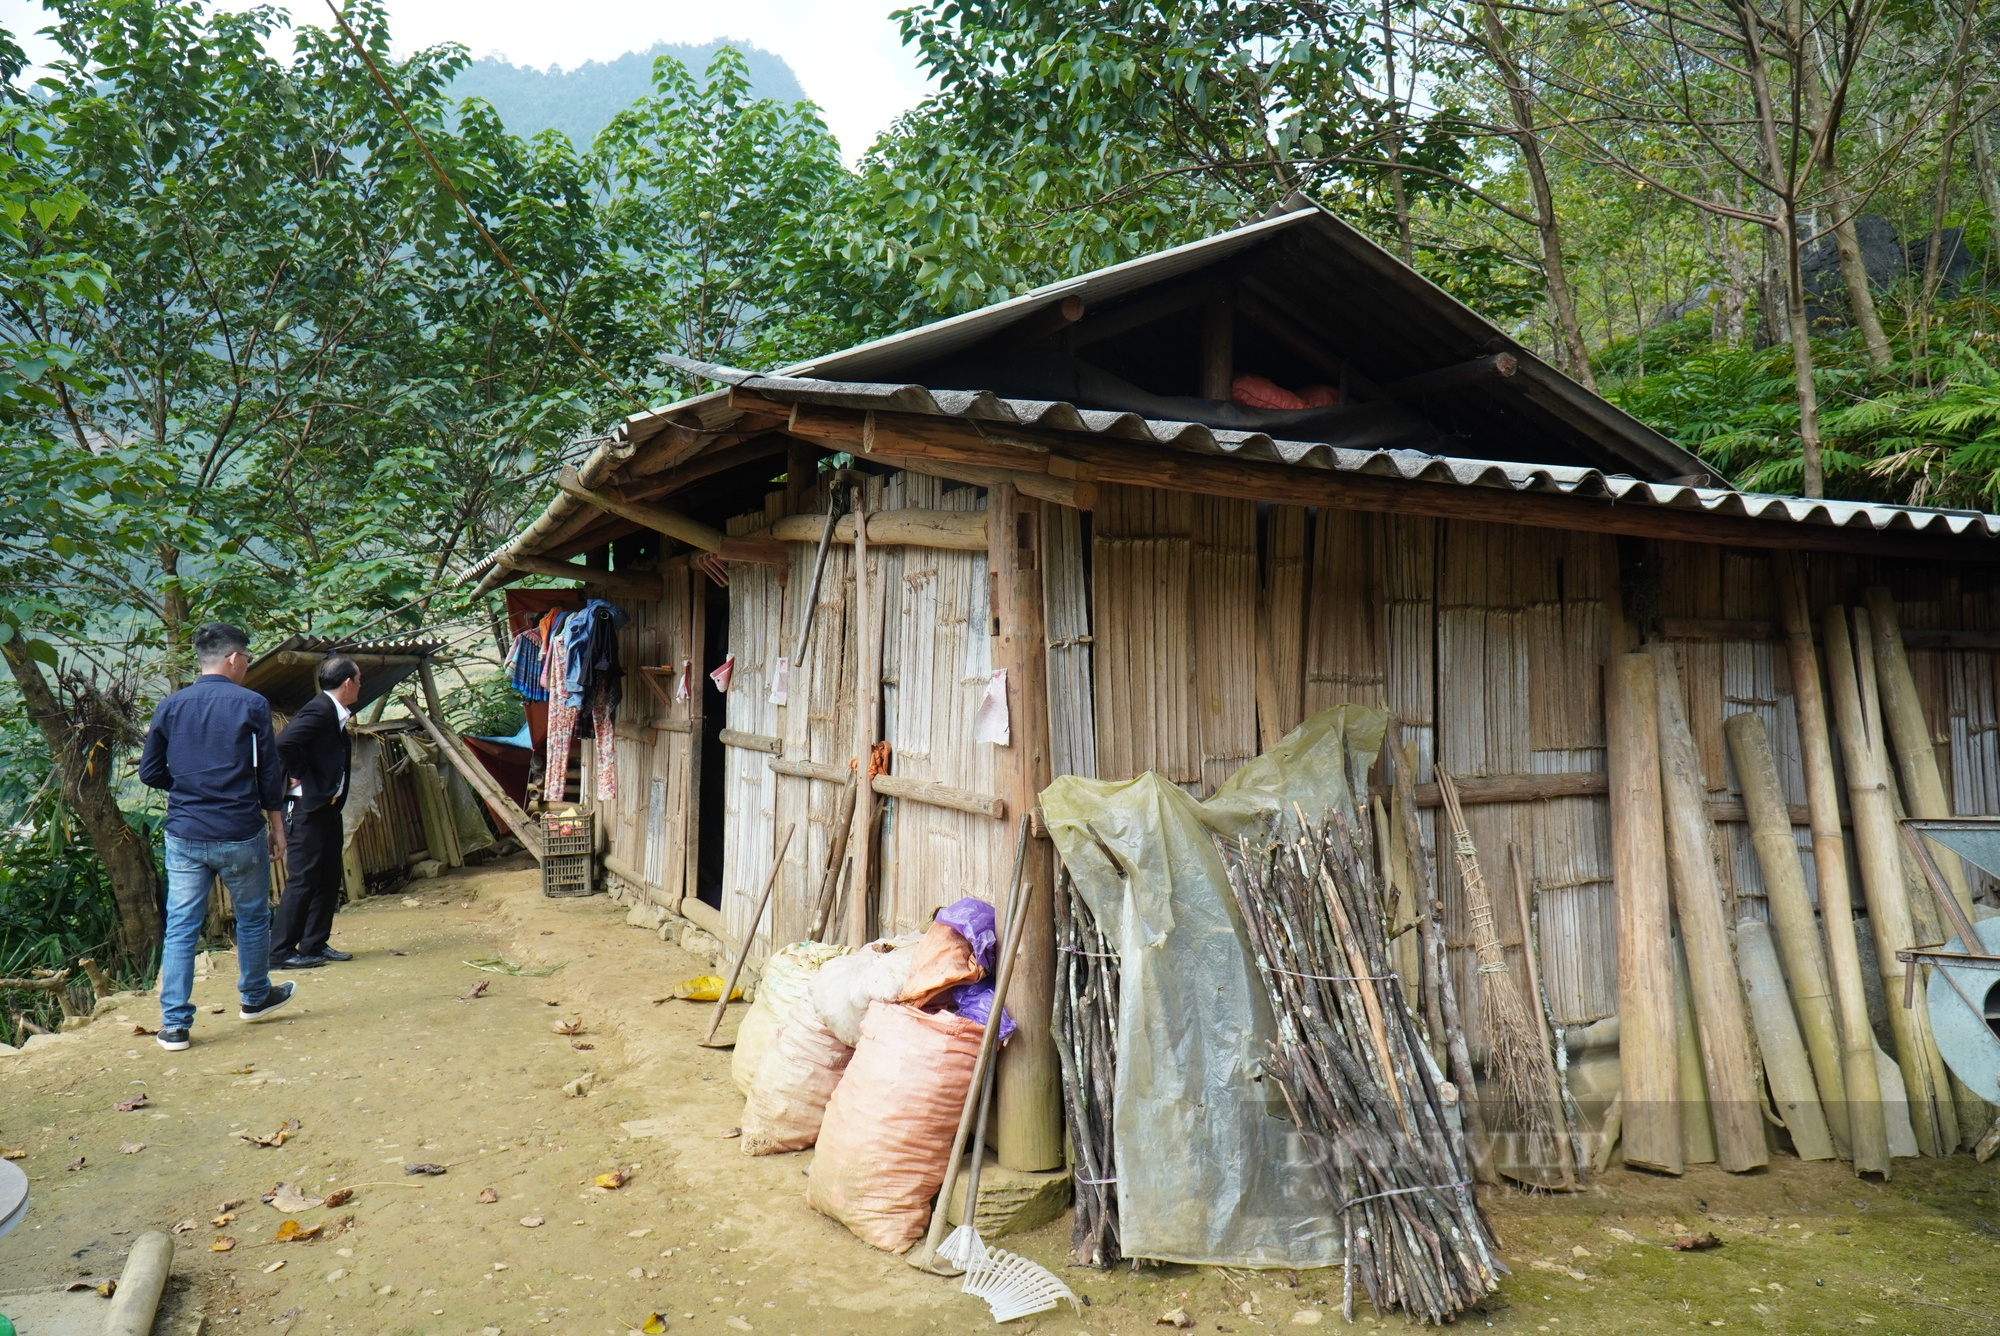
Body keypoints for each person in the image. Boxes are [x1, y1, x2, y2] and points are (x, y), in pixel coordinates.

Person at [137, 623, 295, 1051]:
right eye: (245, 657)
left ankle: (173, 1026)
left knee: (181, 928)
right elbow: (268, 772)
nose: (245, 664)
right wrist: (277, 826)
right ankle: (255, 997)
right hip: (239, 830)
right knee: (253, 917)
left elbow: (149, 771)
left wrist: (191, 787)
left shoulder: (170, 706)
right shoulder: (252, 703)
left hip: (185, 833)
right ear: (232, 658)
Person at [271, 655, 360, 969]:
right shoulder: (320, 709)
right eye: (358, 679)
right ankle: (279, 951)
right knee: (303, 879)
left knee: (327, 875)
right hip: (306, 808)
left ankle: (313, 944)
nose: (360, 685)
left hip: (327, 806)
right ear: (347, 682)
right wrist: (301, 772)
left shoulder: (335, 714)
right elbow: (284, 743)